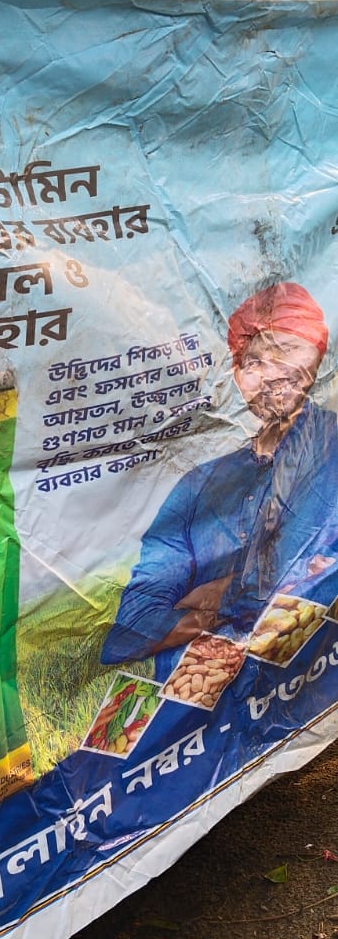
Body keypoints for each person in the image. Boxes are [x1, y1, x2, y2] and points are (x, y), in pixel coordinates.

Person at [101, 282, 338, 681]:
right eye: (253, 361)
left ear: (317, 359)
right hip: (205, 702)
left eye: (286, 352)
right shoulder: (198, 486)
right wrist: (251, 594)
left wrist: (214, 594)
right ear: (236, 374)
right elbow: (132, 626)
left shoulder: (331, 450)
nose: (270, 375)